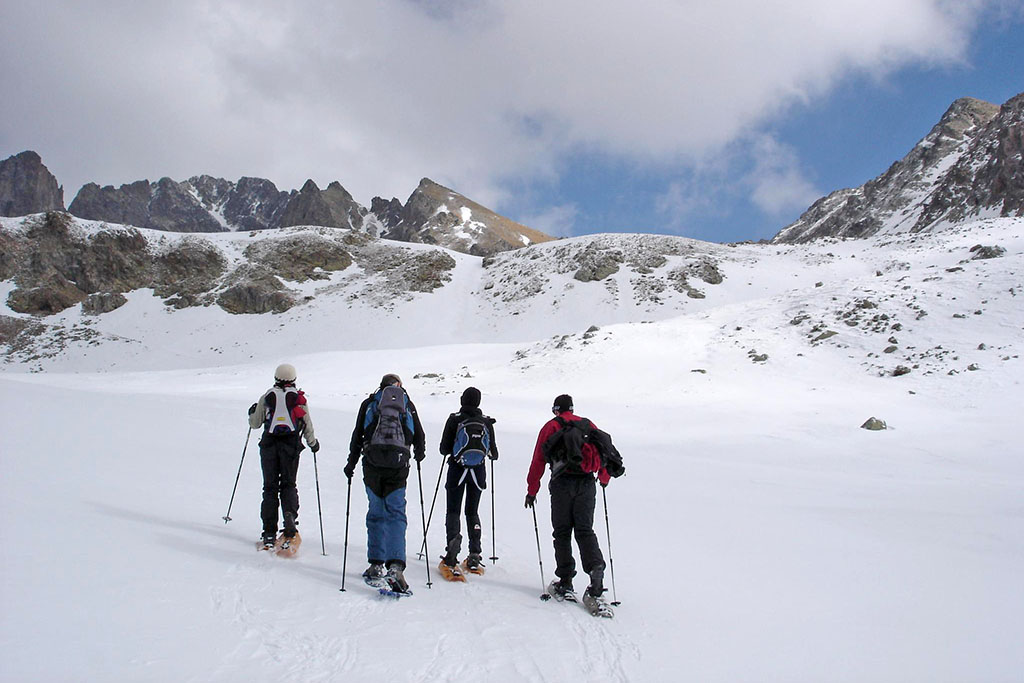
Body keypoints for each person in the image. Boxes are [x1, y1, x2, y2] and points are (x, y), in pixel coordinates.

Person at [525, 394, 611, 609]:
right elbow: (601, 450)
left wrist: (532, 490)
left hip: (562, 483)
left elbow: (538, 460)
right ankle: (595, 572)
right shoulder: (587, 425)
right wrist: (603, 478)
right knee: (585, 530)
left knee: (562, 532)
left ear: (555, 409)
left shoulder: (551, 427)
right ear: (572, 409)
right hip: (587, 484)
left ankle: (565, 581)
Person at [345, 373, 426, 593]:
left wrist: (351, 464)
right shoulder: (407, 403)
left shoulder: (370, 403)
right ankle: (396, 566)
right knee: (396, 512)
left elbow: (357, 436)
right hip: (398, 466)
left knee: (376, 511)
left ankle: (376, 564)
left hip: (372, 463)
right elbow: (418, 435)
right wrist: (418, 454)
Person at [248, 363, 319, 550]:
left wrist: (251, 414)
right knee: (289, 484)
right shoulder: (298, 399)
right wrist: (313, 443)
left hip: (269, 446)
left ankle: (269, 533)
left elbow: (255, 424)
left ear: (276, 378)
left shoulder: (268, 396)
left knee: (270, 488)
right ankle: (290, 519)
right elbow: (307, 424)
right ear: (293, 379)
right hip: (291, 447)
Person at [437, 387, 498, 578]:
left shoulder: (455, 419)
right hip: (478, 472)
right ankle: (474, 554)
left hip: (457, 471)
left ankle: (452, 552)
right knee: (472, 511)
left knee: (453, 510)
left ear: (462, 400)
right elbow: (494, 453)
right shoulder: (486, 422)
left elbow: (444, 449)